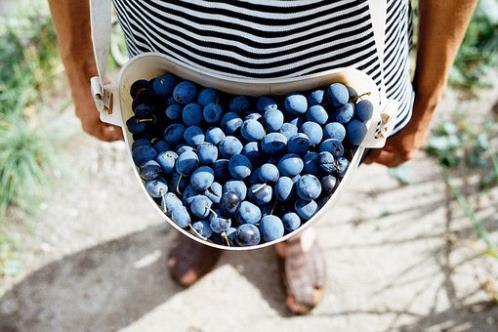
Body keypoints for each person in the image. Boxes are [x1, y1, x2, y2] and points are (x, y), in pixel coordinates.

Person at [48, 0, 477, 314]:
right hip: (171, 47)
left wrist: (427, 102)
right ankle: (206, 222)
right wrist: (80, 64)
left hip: (334, 53)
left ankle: (294, 233)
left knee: (318, 164)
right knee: (181, 155)